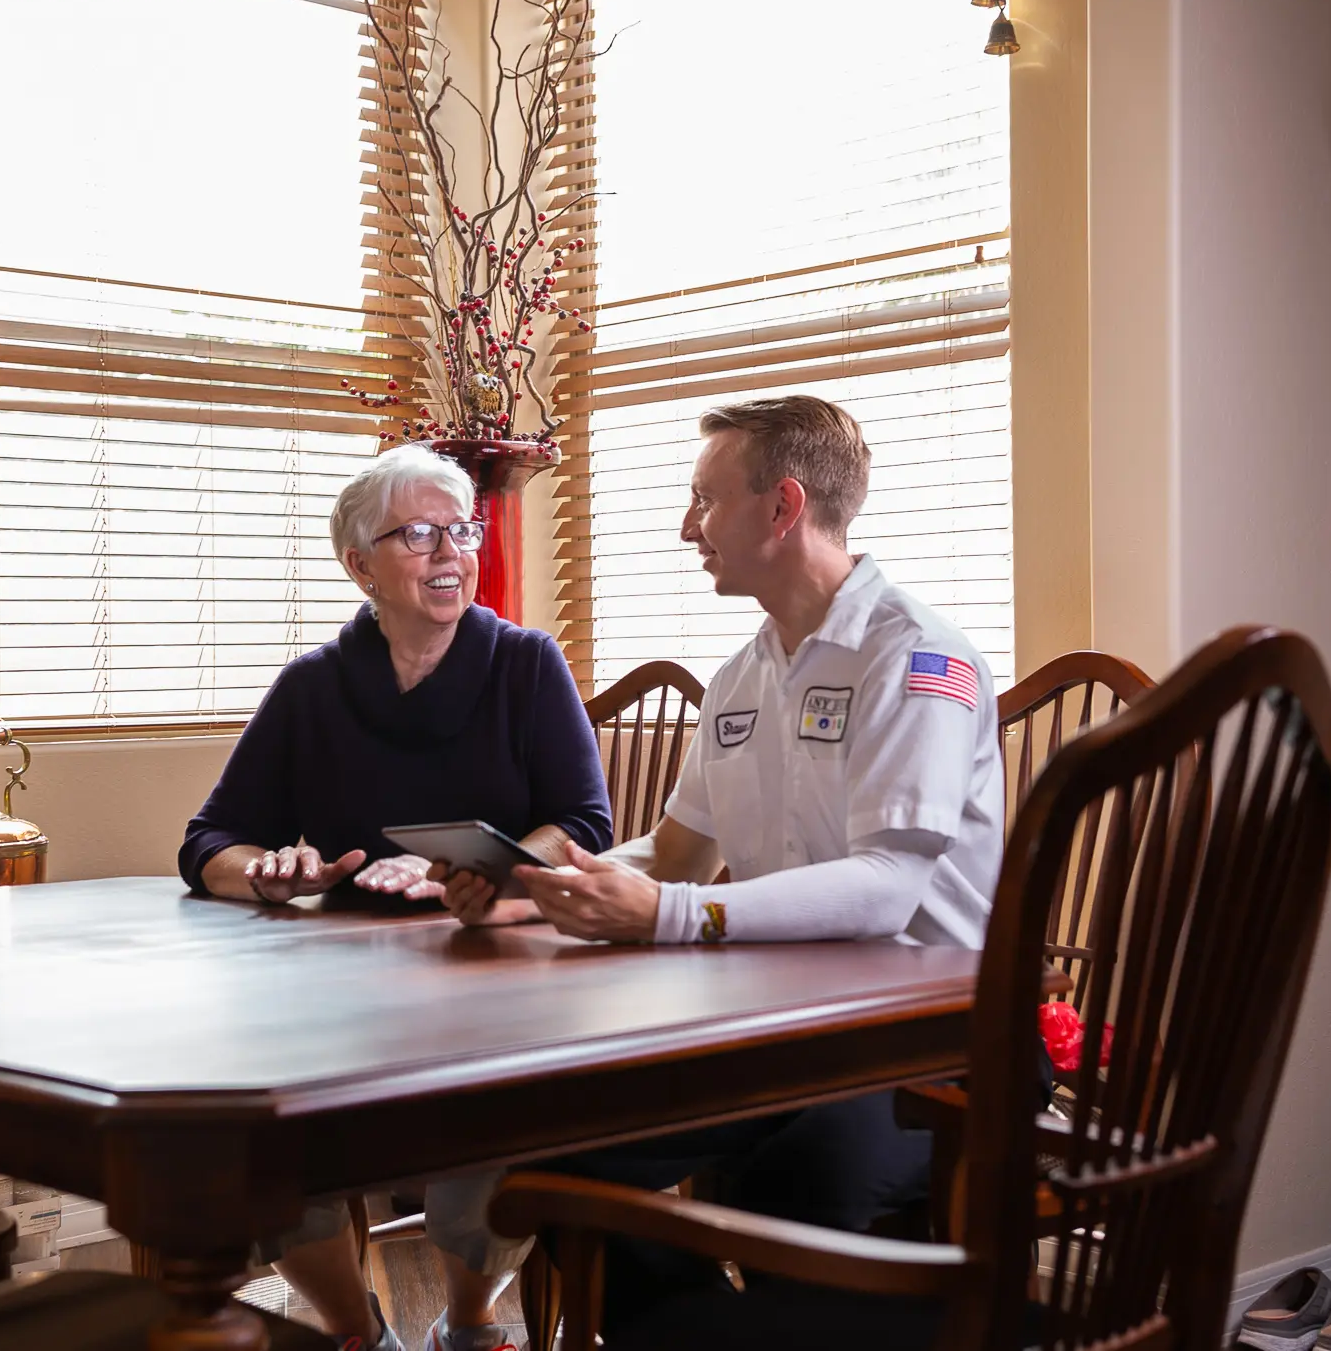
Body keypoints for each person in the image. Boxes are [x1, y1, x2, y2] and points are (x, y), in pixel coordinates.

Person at [501, 395, 1006, 1338]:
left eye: (703, 500)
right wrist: (553, 885)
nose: (686, 525)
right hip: (785, 1036)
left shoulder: (918, 657)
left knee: (792, 1181)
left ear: (781, 508)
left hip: (937, 1047)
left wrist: (671, 912)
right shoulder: (741, 676)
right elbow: (677, 849)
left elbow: (889, 882)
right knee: (565, 1165)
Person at [178, 442, 613, 1351]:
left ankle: (469, 1321)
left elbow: (583, 822)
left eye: (462, 529)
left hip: (493, 969)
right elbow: (208, 841)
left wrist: (486, 867)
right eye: (418, 534)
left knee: (494, 1123)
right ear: (360, 564)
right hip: (339, 988)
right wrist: (264, 872)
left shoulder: (528, 665)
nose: (451, 551)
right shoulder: (310, 688)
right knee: (269, 1142)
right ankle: (354, 1333)